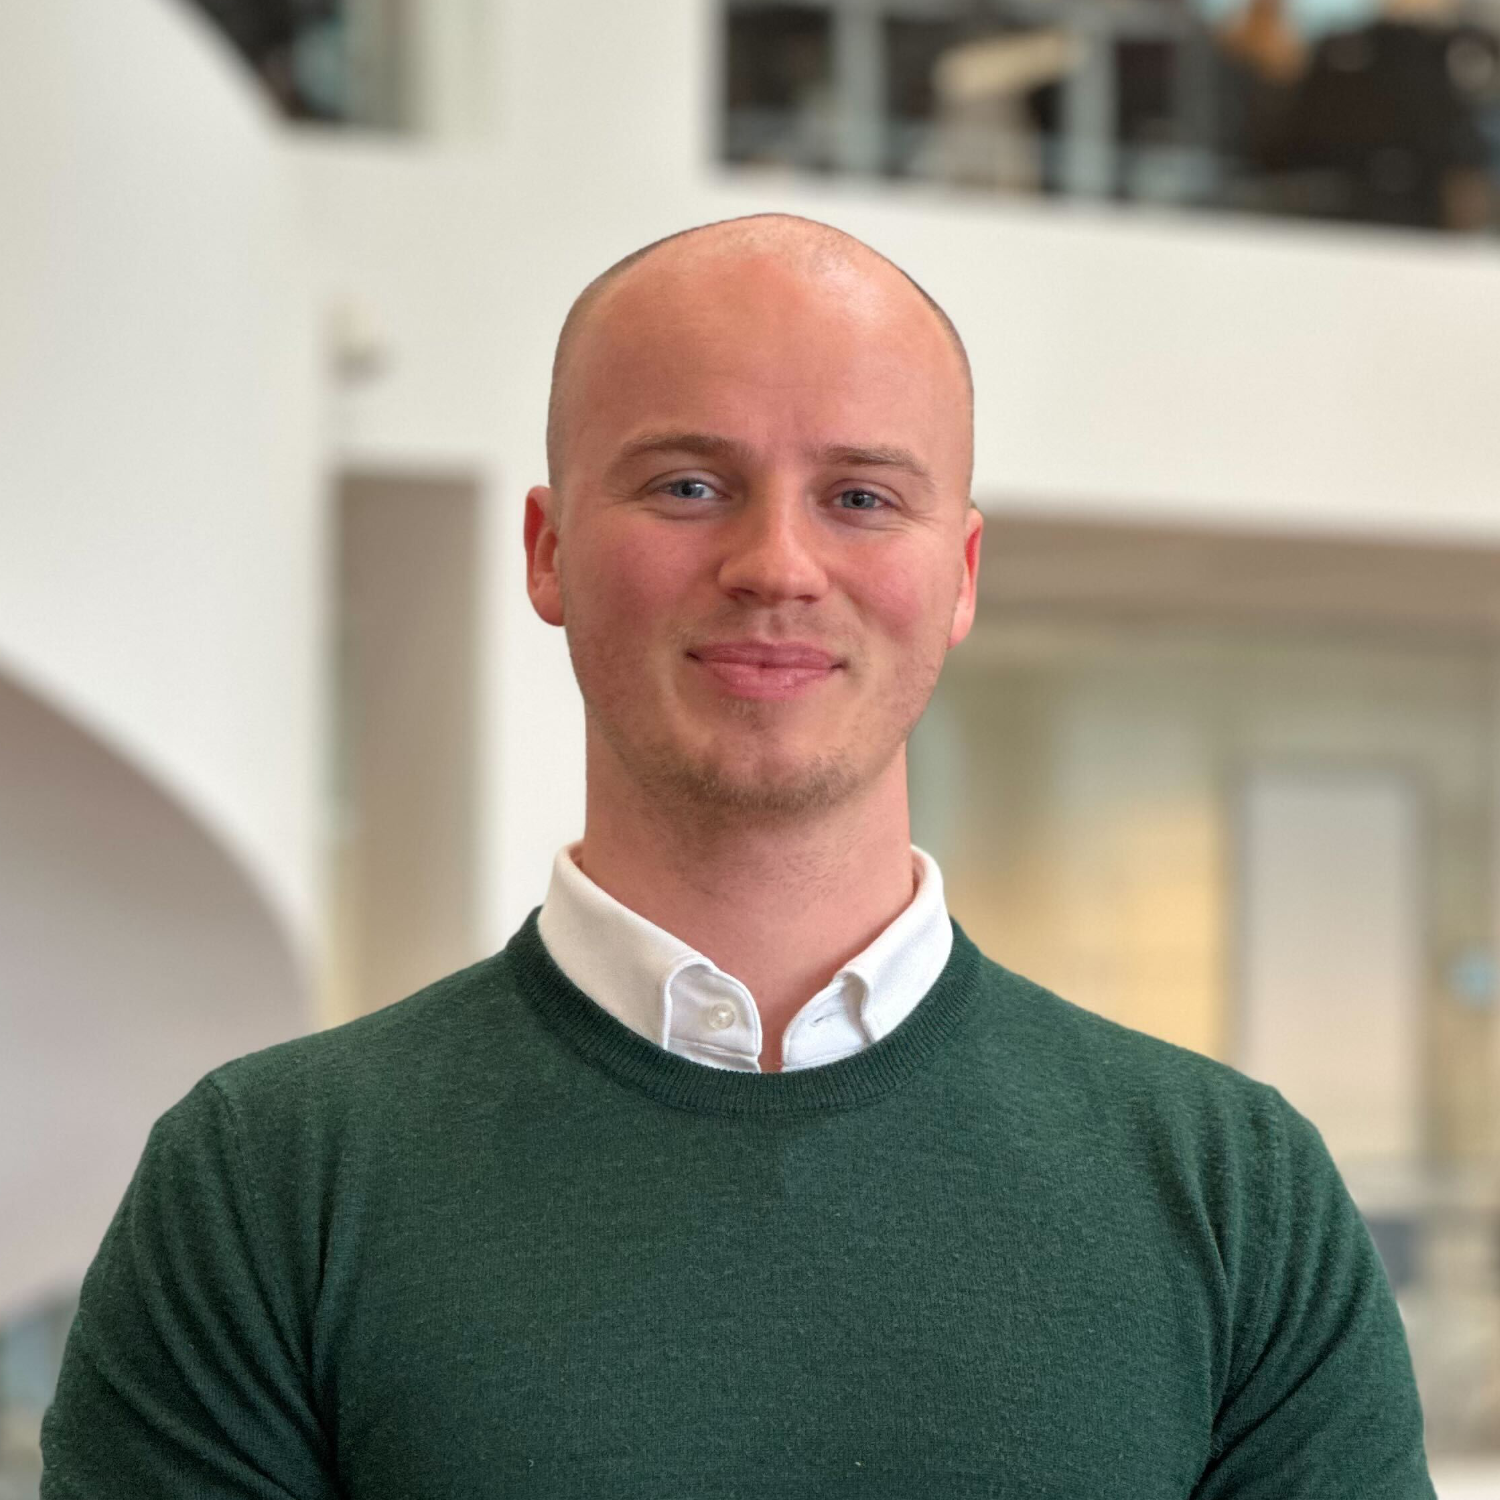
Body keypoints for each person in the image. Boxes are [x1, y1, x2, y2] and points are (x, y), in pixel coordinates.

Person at [40, 214, 1435, 1496]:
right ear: (548, 551)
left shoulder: (1235, 1190)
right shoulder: (267, 1182)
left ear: (959, 575)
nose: (776, 564)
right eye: (690, 484)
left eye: (862, 498)